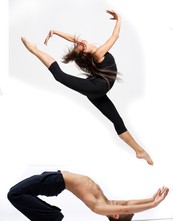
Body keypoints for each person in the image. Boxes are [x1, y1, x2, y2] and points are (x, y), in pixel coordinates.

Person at [21, 10, 153, 165]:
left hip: (96, 89)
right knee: (60, 77)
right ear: (83, 50)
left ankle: (139, 151)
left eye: (77, 44)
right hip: (96, 87)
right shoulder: (98, 54)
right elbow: (115, 36)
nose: (77, 43)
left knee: (117, 120)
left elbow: (73, 38)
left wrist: (55, 32)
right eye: (78, 46)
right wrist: (119, 20)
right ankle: (34, 50)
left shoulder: (84, 47)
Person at [7, 170, 169, 221]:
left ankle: (51, 220)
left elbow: (126, 209)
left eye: (120, 209)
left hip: (55, 182)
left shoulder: (100, 207)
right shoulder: (108, 202)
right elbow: (128, 204)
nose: (122, 203)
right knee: (19, 194)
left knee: (14, 194)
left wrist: (154, 205)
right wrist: (151, 198)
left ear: (116, 215)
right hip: (55, 178)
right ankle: (51, 218)